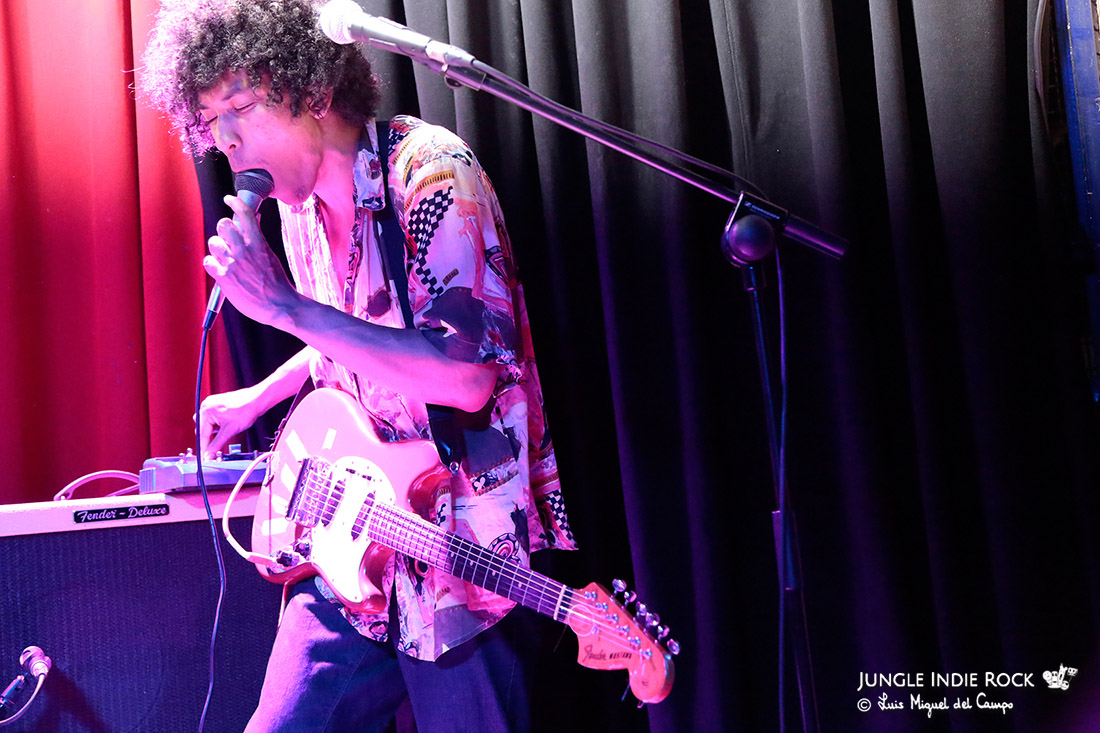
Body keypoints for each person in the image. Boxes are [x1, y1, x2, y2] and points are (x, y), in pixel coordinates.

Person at [141, 1, 575, 729]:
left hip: (463, 554)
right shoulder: (295, 209)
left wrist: (283, 308)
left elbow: (465, 374)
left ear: (310, 89)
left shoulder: (430, 172)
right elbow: (353, 331)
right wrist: (259, 394)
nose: (226, 141)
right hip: (356, 548)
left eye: (240, 106)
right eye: (210, 121)